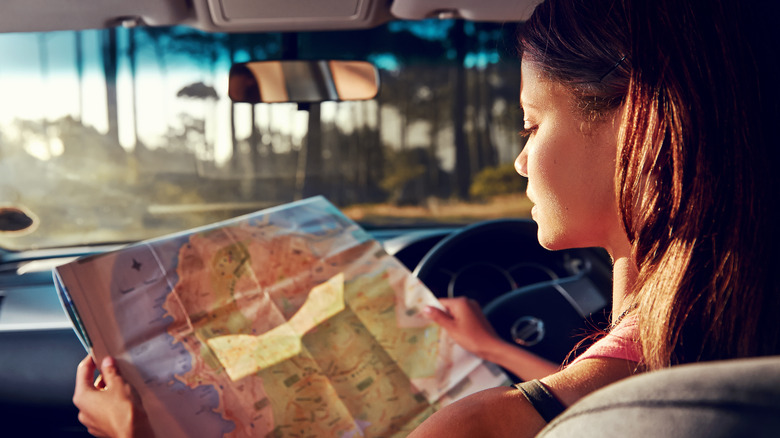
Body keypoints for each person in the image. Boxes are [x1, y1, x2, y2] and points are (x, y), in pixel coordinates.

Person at [73, 0, 780, 436]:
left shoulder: (471, 428)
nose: (520, 162)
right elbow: (609, 399)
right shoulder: (713, 337)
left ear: (644, 128)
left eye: (532, 124)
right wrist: (498, 352)